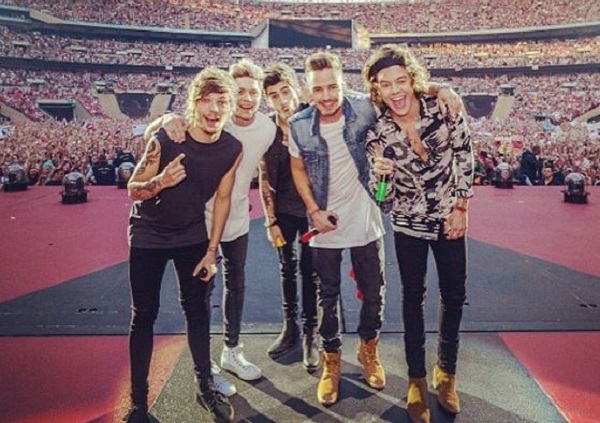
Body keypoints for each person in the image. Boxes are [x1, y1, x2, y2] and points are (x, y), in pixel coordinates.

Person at [144, 59, 277, 393]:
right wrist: (165, 117)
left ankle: (232, 351)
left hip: (239, 219)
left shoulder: (267, 128)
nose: (247, 99)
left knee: (237, 285)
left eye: (253, 92)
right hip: (200, 222)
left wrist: (271, 216)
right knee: (201, 294)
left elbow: (269, 167)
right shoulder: (213, 118)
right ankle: (205, 366)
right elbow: (155, 133)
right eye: (240, 91)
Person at [363, 44, 474, 423]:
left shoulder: (443, 107)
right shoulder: (377, 133)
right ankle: (416, 380)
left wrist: (461, 207)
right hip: (408, 224)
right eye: (385, 85)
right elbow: (383, 200)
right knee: (412, 299)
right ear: (377, 90)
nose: (395, 91)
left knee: (454, 296)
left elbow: (465, 155)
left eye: (400, 81)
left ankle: (447, 373)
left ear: (413, 80)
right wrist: (381, 176)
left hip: (449, 219)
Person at [125, 66, 242, 423]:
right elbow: (133, 188)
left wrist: (211, 251)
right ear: (193, 103)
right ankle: (138, 404)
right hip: (148, 232)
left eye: (221, 101)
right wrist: (161, 180)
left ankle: (205, 386)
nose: (213, 109)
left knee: (198, 310)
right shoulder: (167, 137)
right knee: (144, 314)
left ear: (230, 106)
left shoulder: (232, 148)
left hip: (192, 234)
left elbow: (223, 199)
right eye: (206, 100)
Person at [258, 62, 319, 371]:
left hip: (311, 211)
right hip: (282, 213)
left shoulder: (315, 117)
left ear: (296, 90)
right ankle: (290, 327)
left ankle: (311, 333)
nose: (282, 100)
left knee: (311, 272)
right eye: (273, 95)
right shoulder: (266, 129)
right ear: (267, 99)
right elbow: (264, 176)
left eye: (285, 91)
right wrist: (270, 220)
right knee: (287, 269)